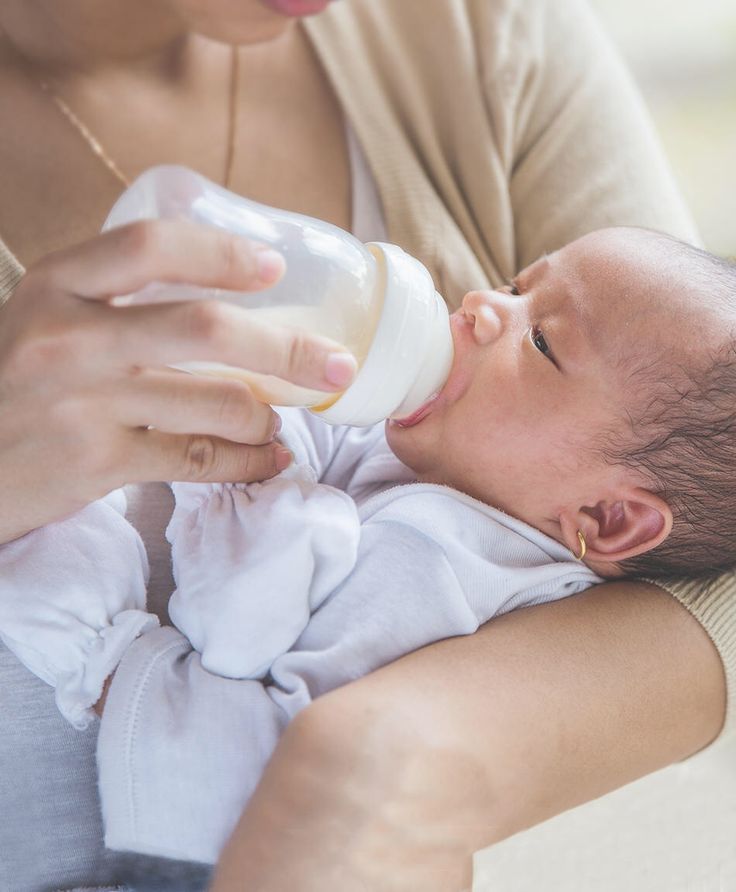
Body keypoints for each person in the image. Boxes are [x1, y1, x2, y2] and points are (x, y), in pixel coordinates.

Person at [0, 1, 730, 890]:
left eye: (539, 341)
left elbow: (249, 622)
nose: (480, 305)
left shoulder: (448, 558)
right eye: (513, 282)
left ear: (609, 518)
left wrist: (375, 758)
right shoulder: (458, 464)